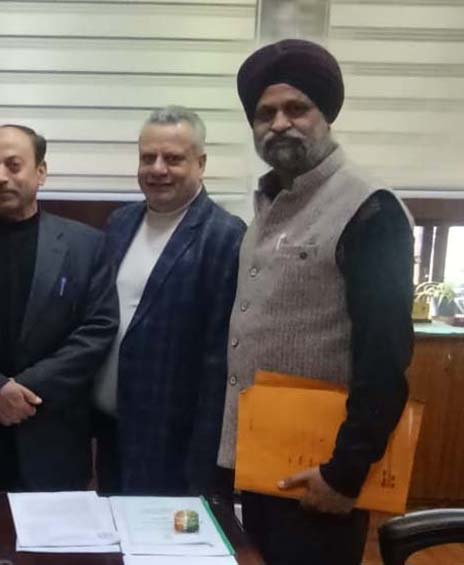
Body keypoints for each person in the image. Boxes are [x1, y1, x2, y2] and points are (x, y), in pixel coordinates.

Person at [218, 39, 414, 564]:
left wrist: (345, 473)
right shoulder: (269, 206)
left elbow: (385, 356)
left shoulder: (370, 208)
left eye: (296, 108)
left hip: (320, 472)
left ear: (325, 114)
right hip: (259, 462)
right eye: (265, 114)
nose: (279, 123)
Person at [0, 124, 119, 491]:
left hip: (52, 438)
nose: (0, 177)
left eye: (13, 165)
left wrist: (22, 391)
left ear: (40, 172)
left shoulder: (86, 246)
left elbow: (97, 331)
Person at [93, 106, 244, 496]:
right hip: (110, 429)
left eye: (173, 159)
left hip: (173, 441)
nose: (157, 169)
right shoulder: (119, 223)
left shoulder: (225, 236)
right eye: (148, 158)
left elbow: (219, 359)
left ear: (201, 163)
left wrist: (205, 465)